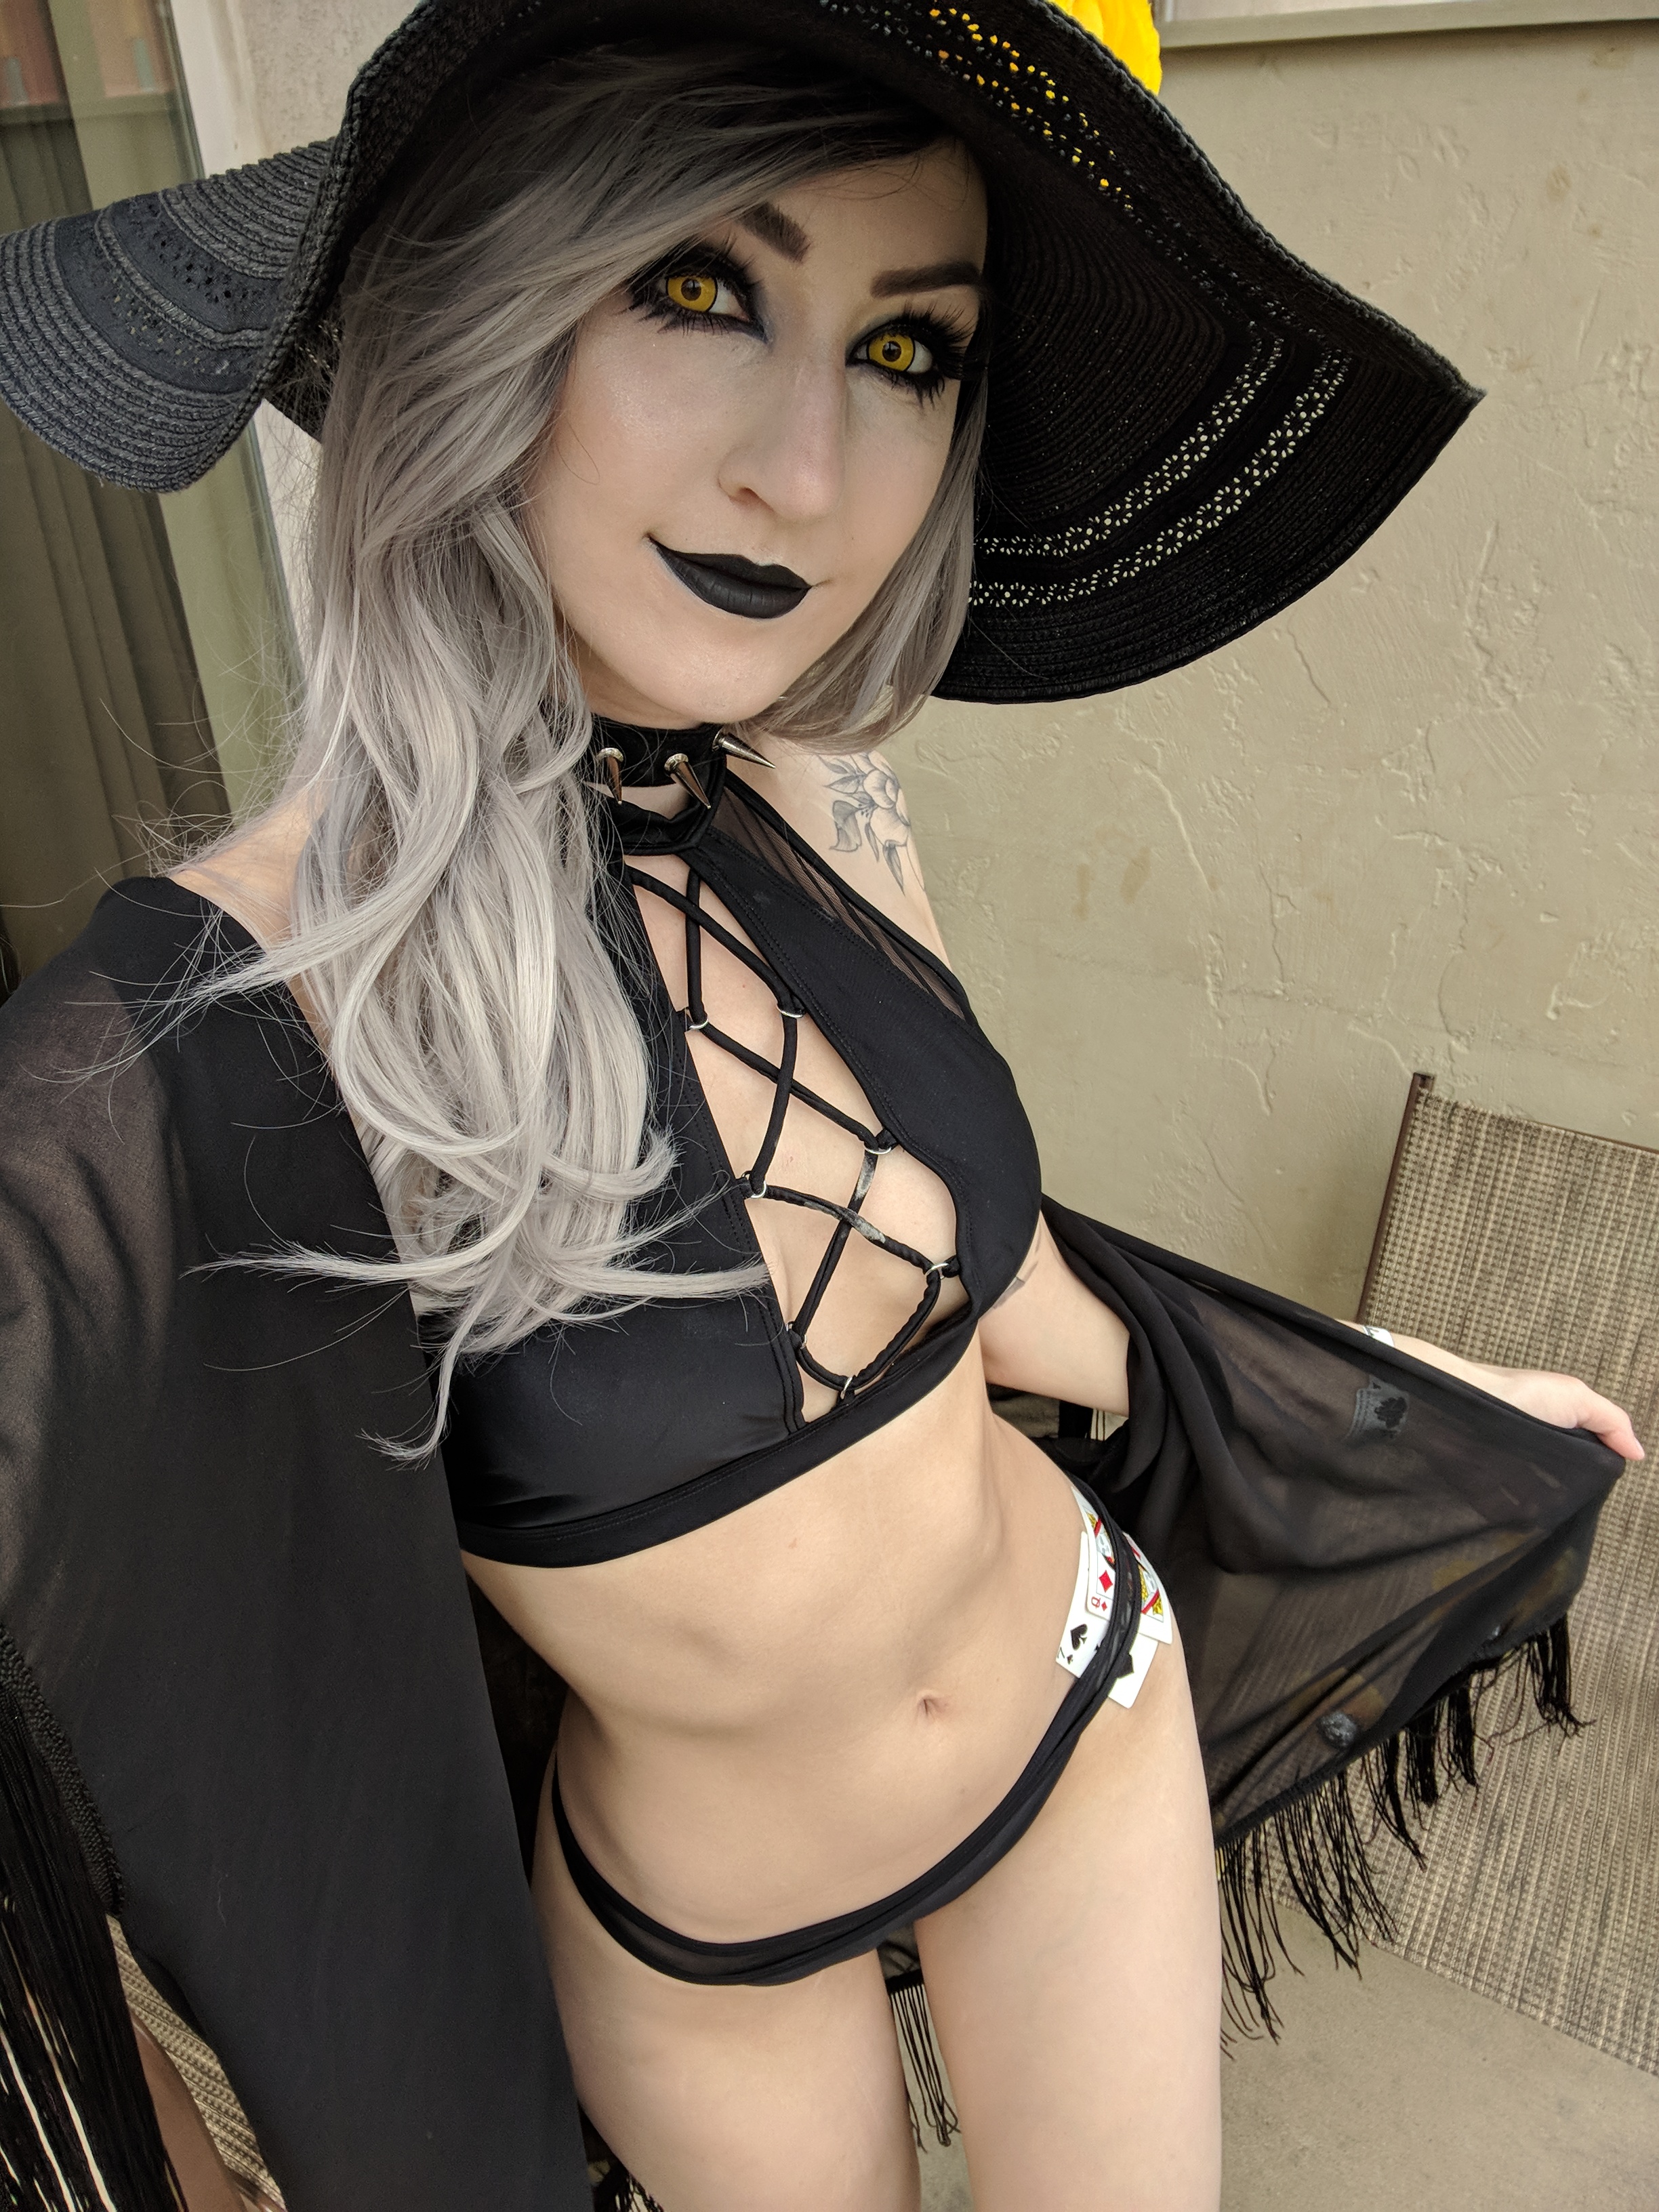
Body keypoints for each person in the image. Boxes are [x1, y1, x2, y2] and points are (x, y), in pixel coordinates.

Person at [0, 3, 1638, 2209]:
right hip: (712, 1948)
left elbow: (988, 1286)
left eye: (906, 348)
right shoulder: (220, 1014)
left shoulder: (818, 791)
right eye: (702, 290)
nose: (811, 469)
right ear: (487, 318)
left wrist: (1409, 1389)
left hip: (1076, 1700)